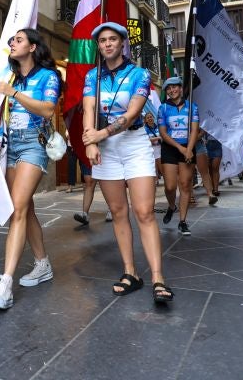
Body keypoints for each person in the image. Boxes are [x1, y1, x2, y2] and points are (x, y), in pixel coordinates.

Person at [81, 22, 172, 304]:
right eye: (102, 40)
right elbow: (89, 109)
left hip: (134, 145)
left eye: (113, 39)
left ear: (122, 44)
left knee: (143, 211)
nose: (107, 44)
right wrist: (92, 141)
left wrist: (101, 134)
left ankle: (158, 278)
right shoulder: (92, 76)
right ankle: (130, 272)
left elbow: (132, 115)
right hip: (105, 149)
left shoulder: (140, 74)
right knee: (118, 211)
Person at [0, 29, 60, 310]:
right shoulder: (11, 76)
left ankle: (6, 285)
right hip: (10, 147)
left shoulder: (48, 76)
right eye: (11, 40)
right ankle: (42, 264)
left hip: (33, 145)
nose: (11, 44)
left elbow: (48, 110)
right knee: (25, 210)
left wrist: (13, 92)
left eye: (17, 40)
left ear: (33, 46)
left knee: (18, 209)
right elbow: (2, 112)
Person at [158, 77, 200, 236]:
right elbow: (162, 133)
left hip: (188, 147)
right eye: (168, 88)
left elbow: (194, 130)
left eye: (175, 87)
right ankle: (171, 206)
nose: (172, 90)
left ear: (181, 89)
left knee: (185, 184)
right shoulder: (162, 108)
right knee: (170, 186)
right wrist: (180, 149)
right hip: (170, 148)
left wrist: (188, 149)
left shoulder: (192, 107)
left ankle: (183, 221)